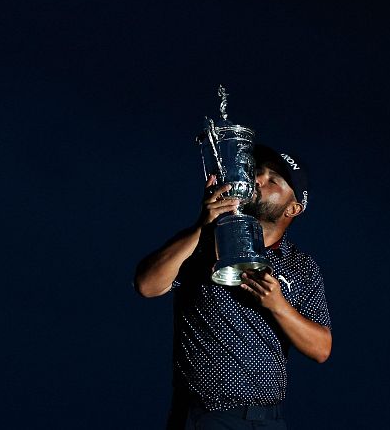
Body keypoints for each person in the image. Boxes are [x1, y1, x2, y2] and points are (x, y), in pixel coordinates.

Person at [135, 145, 332, 430]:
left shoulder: (301, 266)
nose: (257, 181)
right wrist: (203, 226)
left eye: (272, 180)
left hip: (267, 420)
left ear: (294, 207)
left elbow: (321, 349)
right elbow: (147, 286)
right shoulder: (202, 243)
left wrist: (278, 305)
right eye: (257, 173)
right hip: (205, 416)